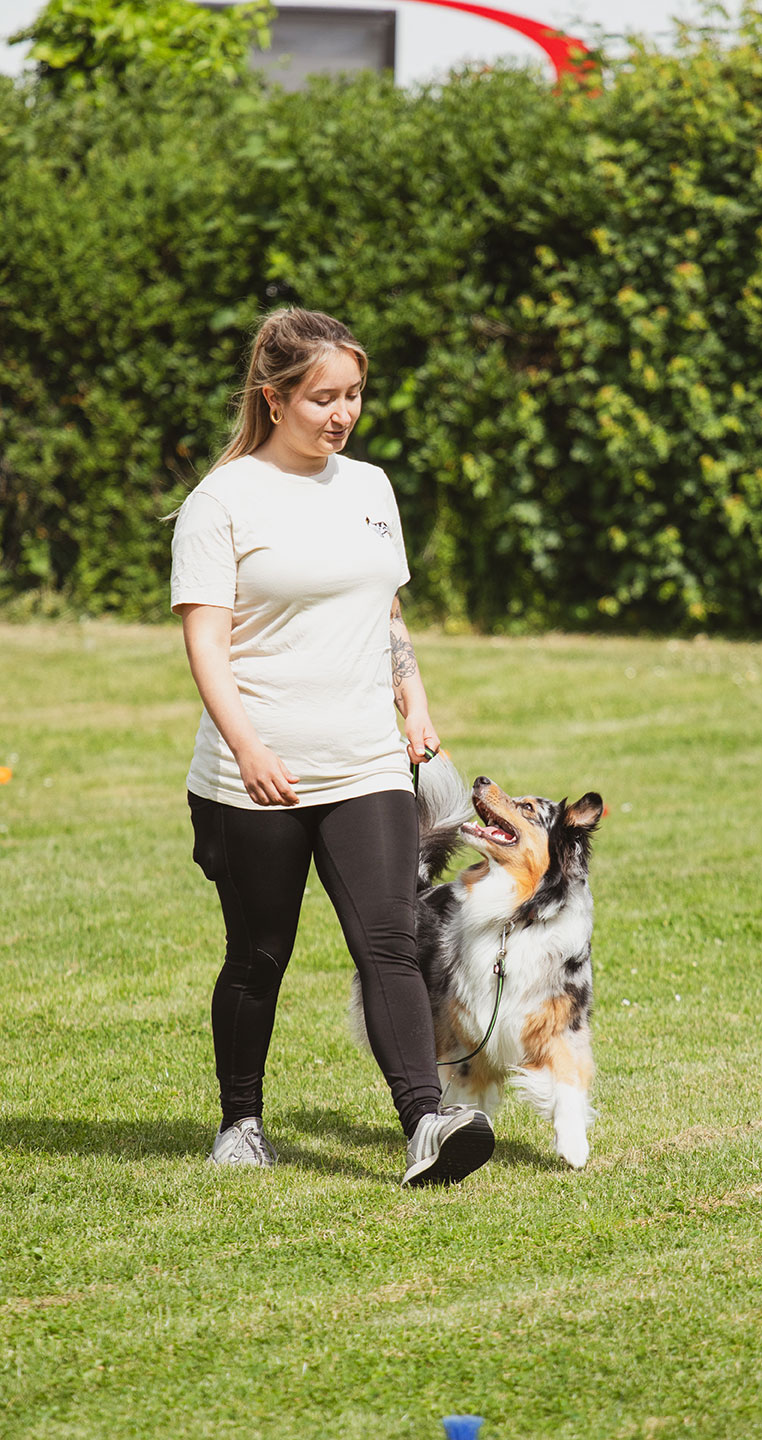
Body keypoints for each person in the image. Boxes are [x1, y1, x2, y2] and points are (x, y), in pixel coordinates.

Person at [170, 308, 494, 1186]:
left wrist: (414, 702)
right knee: (258, 952)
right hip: (254, 777)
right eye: (322, 397)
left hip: (366, 761)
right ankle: (240, 1122)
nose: (341, 413)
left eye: (353, 394)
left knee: (389, 940)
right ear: (275, 399)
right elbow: (206, 641)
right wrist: (248, 748)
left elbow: (385, 609)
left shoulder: (369, 487)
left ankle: (426, 1125)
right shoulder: (222, 501)